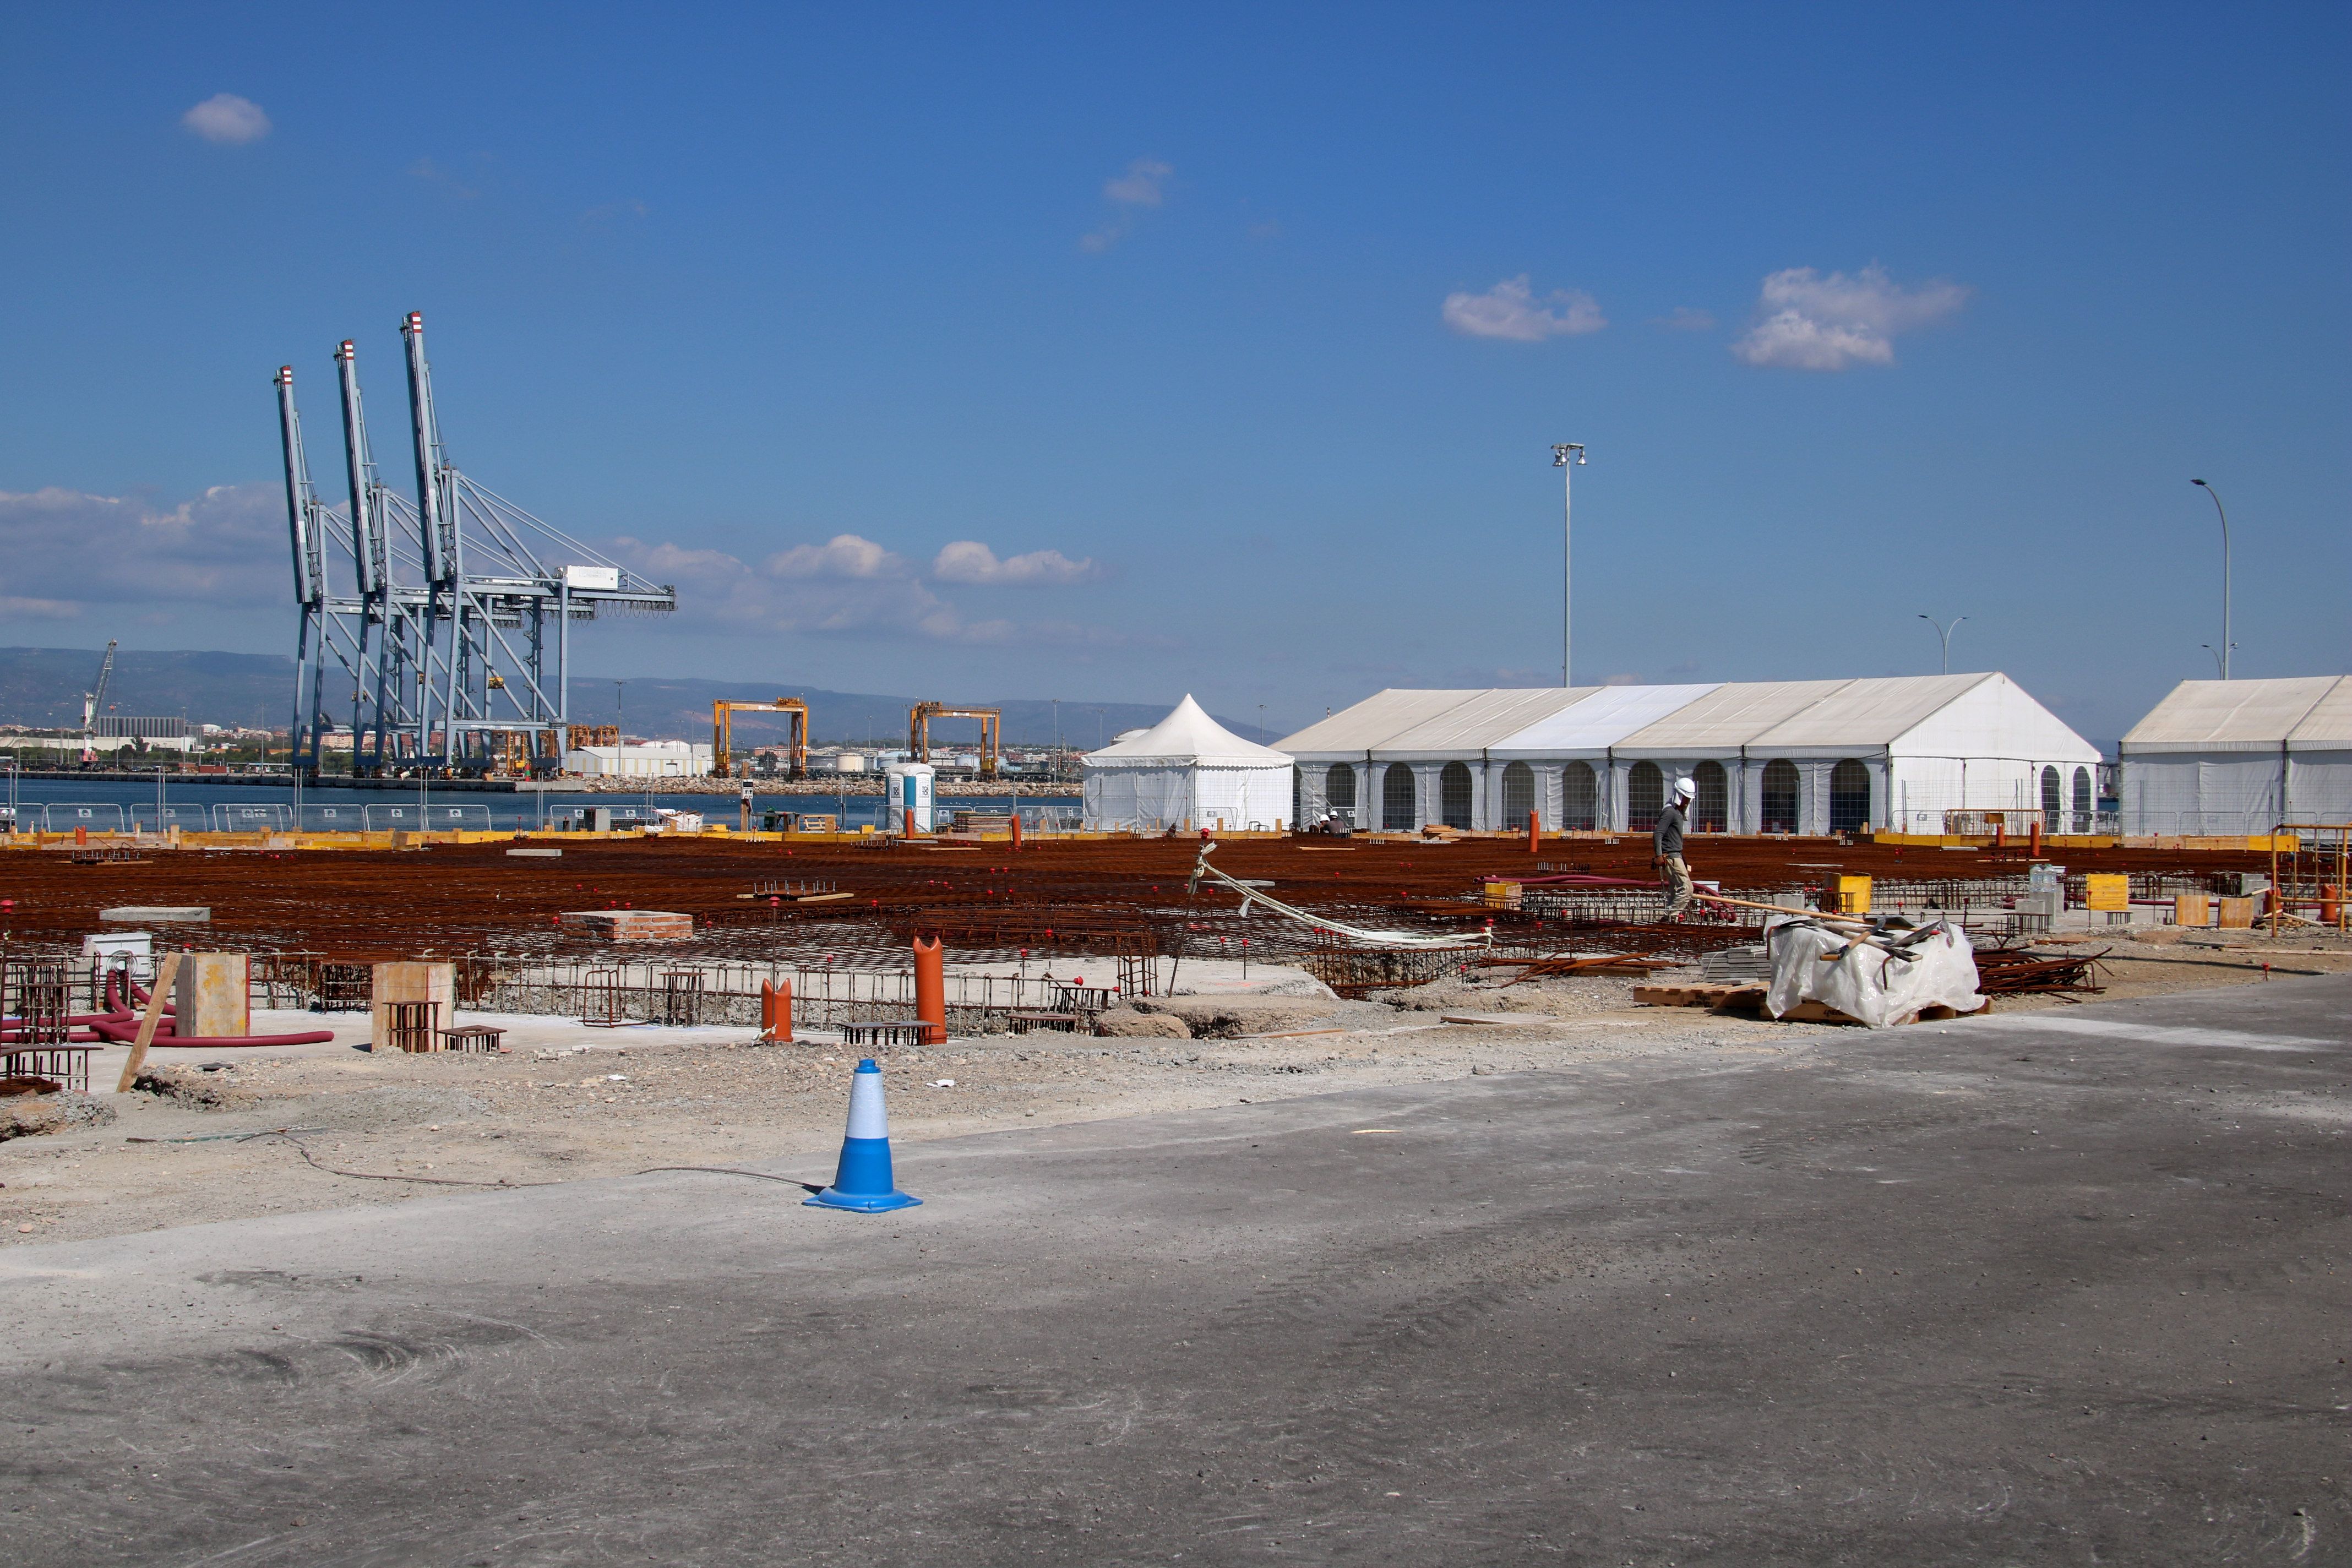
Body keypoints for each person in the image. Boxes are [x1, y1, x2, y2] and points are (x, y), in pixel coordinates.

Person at [1654, 776, 1697, 920]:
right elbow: (1658, 834)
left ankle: (1669, 920)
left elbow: (1674, 838)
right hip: (1670, 857)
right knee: (1687, 888)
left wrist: (1682, 858)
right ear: (1679, 795)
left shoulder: (1677, 812)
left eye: (1689, 799)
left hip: (1676, 855)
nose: (1688, 801)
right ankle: (1670, 915)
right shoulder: (1670, 812)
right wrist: (1659, 855)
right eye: (1686, 798)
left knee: (1674, 891)